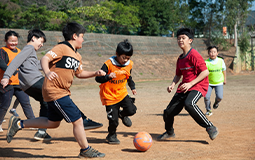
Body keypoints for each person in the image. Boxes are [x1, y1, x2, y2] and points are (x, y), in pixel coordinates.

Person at [4, 22, 106, 158]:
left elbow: (79, 74)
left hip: (61, 91)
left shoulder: (77, 56)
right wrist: (47, 72)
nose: (83, 39)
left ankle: (19, 123)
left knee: (53, 123)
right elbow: (45, 59)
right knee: (78, 120)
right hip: (55, 91)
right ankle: (85, 149)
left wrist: (95, 73)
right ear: (74, 36)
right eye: (82, 36)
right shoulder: (62, 47)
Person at [156, 28, 219, 141]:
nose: (180, 40)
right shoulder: (180, 59)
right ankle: (169, 132)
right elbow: (178, 75)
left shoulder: (194, 54)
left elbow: (205, 72)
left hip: (198, 85)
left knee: (189, 104)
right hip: (184, 87)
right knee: (168, 112)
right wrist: (172, 84)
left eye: (183, 38)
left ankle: (210, 127)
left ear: (190, 40)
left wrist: (190, 84)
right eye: (179, 38)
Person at [95, 39, 137, 144]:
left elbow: (129, 77)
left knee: (131, 110)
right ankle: (111, 135)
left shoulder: (129, 64)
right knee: (113, 120)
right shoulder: (108, 64)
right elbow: (98, 79)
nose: (125, 60)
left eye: (128, 58)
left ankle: (122, 115)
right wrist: (108, 76)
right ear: (117, 54)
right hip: (109, 96)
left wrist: (132, 87)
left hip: (122, 93)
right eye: (123, 57)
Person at [0, 30, 35, 132]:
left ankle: (33, 122)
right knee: (4, 105)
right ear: (6, 41)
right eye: (11, 41)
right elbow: (1, 64)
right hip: (7, 84)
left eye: (15, 41)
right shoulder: (2, 51)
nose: (13, 43)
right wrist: (11, 71)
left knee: (26, 103)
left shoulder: (20, 52)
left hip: (20, 84)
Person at [204, 46, 226, 116]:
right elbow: (204, 73)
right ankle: (208, 110)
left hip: (219, 82)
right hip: (209, 83)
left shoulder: (221, 61)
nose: (212, 53)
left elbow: (224, 70)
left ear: (217, 53)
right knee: (206, 97)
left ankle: (216, 103)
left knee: (220, 97)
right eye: (210, 52)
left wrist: (225, 79)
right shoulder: (206, 62)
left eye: (214, 52)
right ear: (208, 53)